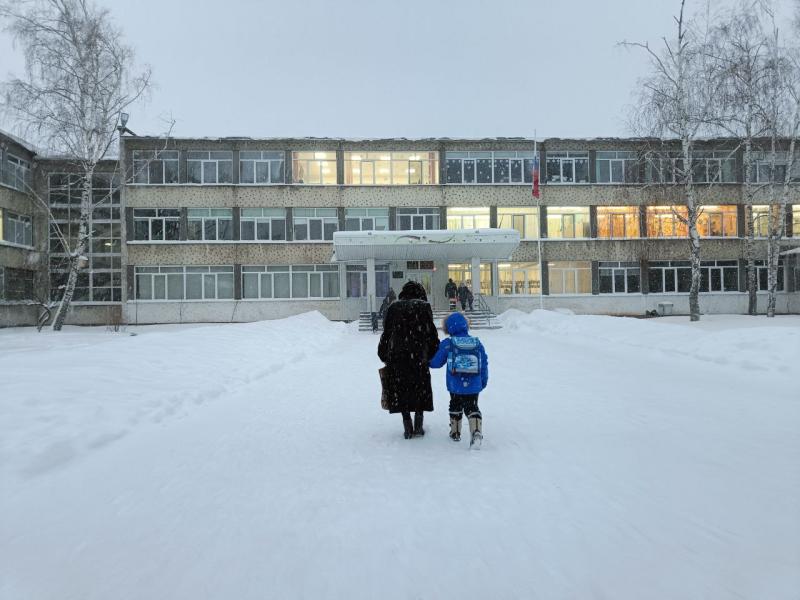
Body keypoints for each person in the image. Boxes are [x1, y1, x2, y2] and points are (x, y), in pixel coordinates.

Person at [378, 281, 440, 439]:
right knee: (421, 390)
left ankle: (407, 425)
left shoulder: (393, 307)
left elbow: (386, 334)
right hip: (419, 357)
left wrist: (384, 354)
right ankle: (418, 424)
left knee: (402, 391)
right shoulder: (424, 307)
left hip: (398, 359)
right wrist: (430, 354)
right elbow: (431, 334)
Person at [429, 312, 489, 448]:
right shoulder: (477, 343)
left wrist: (426, 362)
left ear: (448, 328)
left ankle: (455, 432)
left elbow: (436, 363)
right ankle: (476, 431)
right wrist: (482, 381)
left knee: (455, 404)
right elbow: (484, 364)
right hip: (473, 384)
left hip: (455, 384)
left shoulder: (448, 344)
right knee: (472, 406)